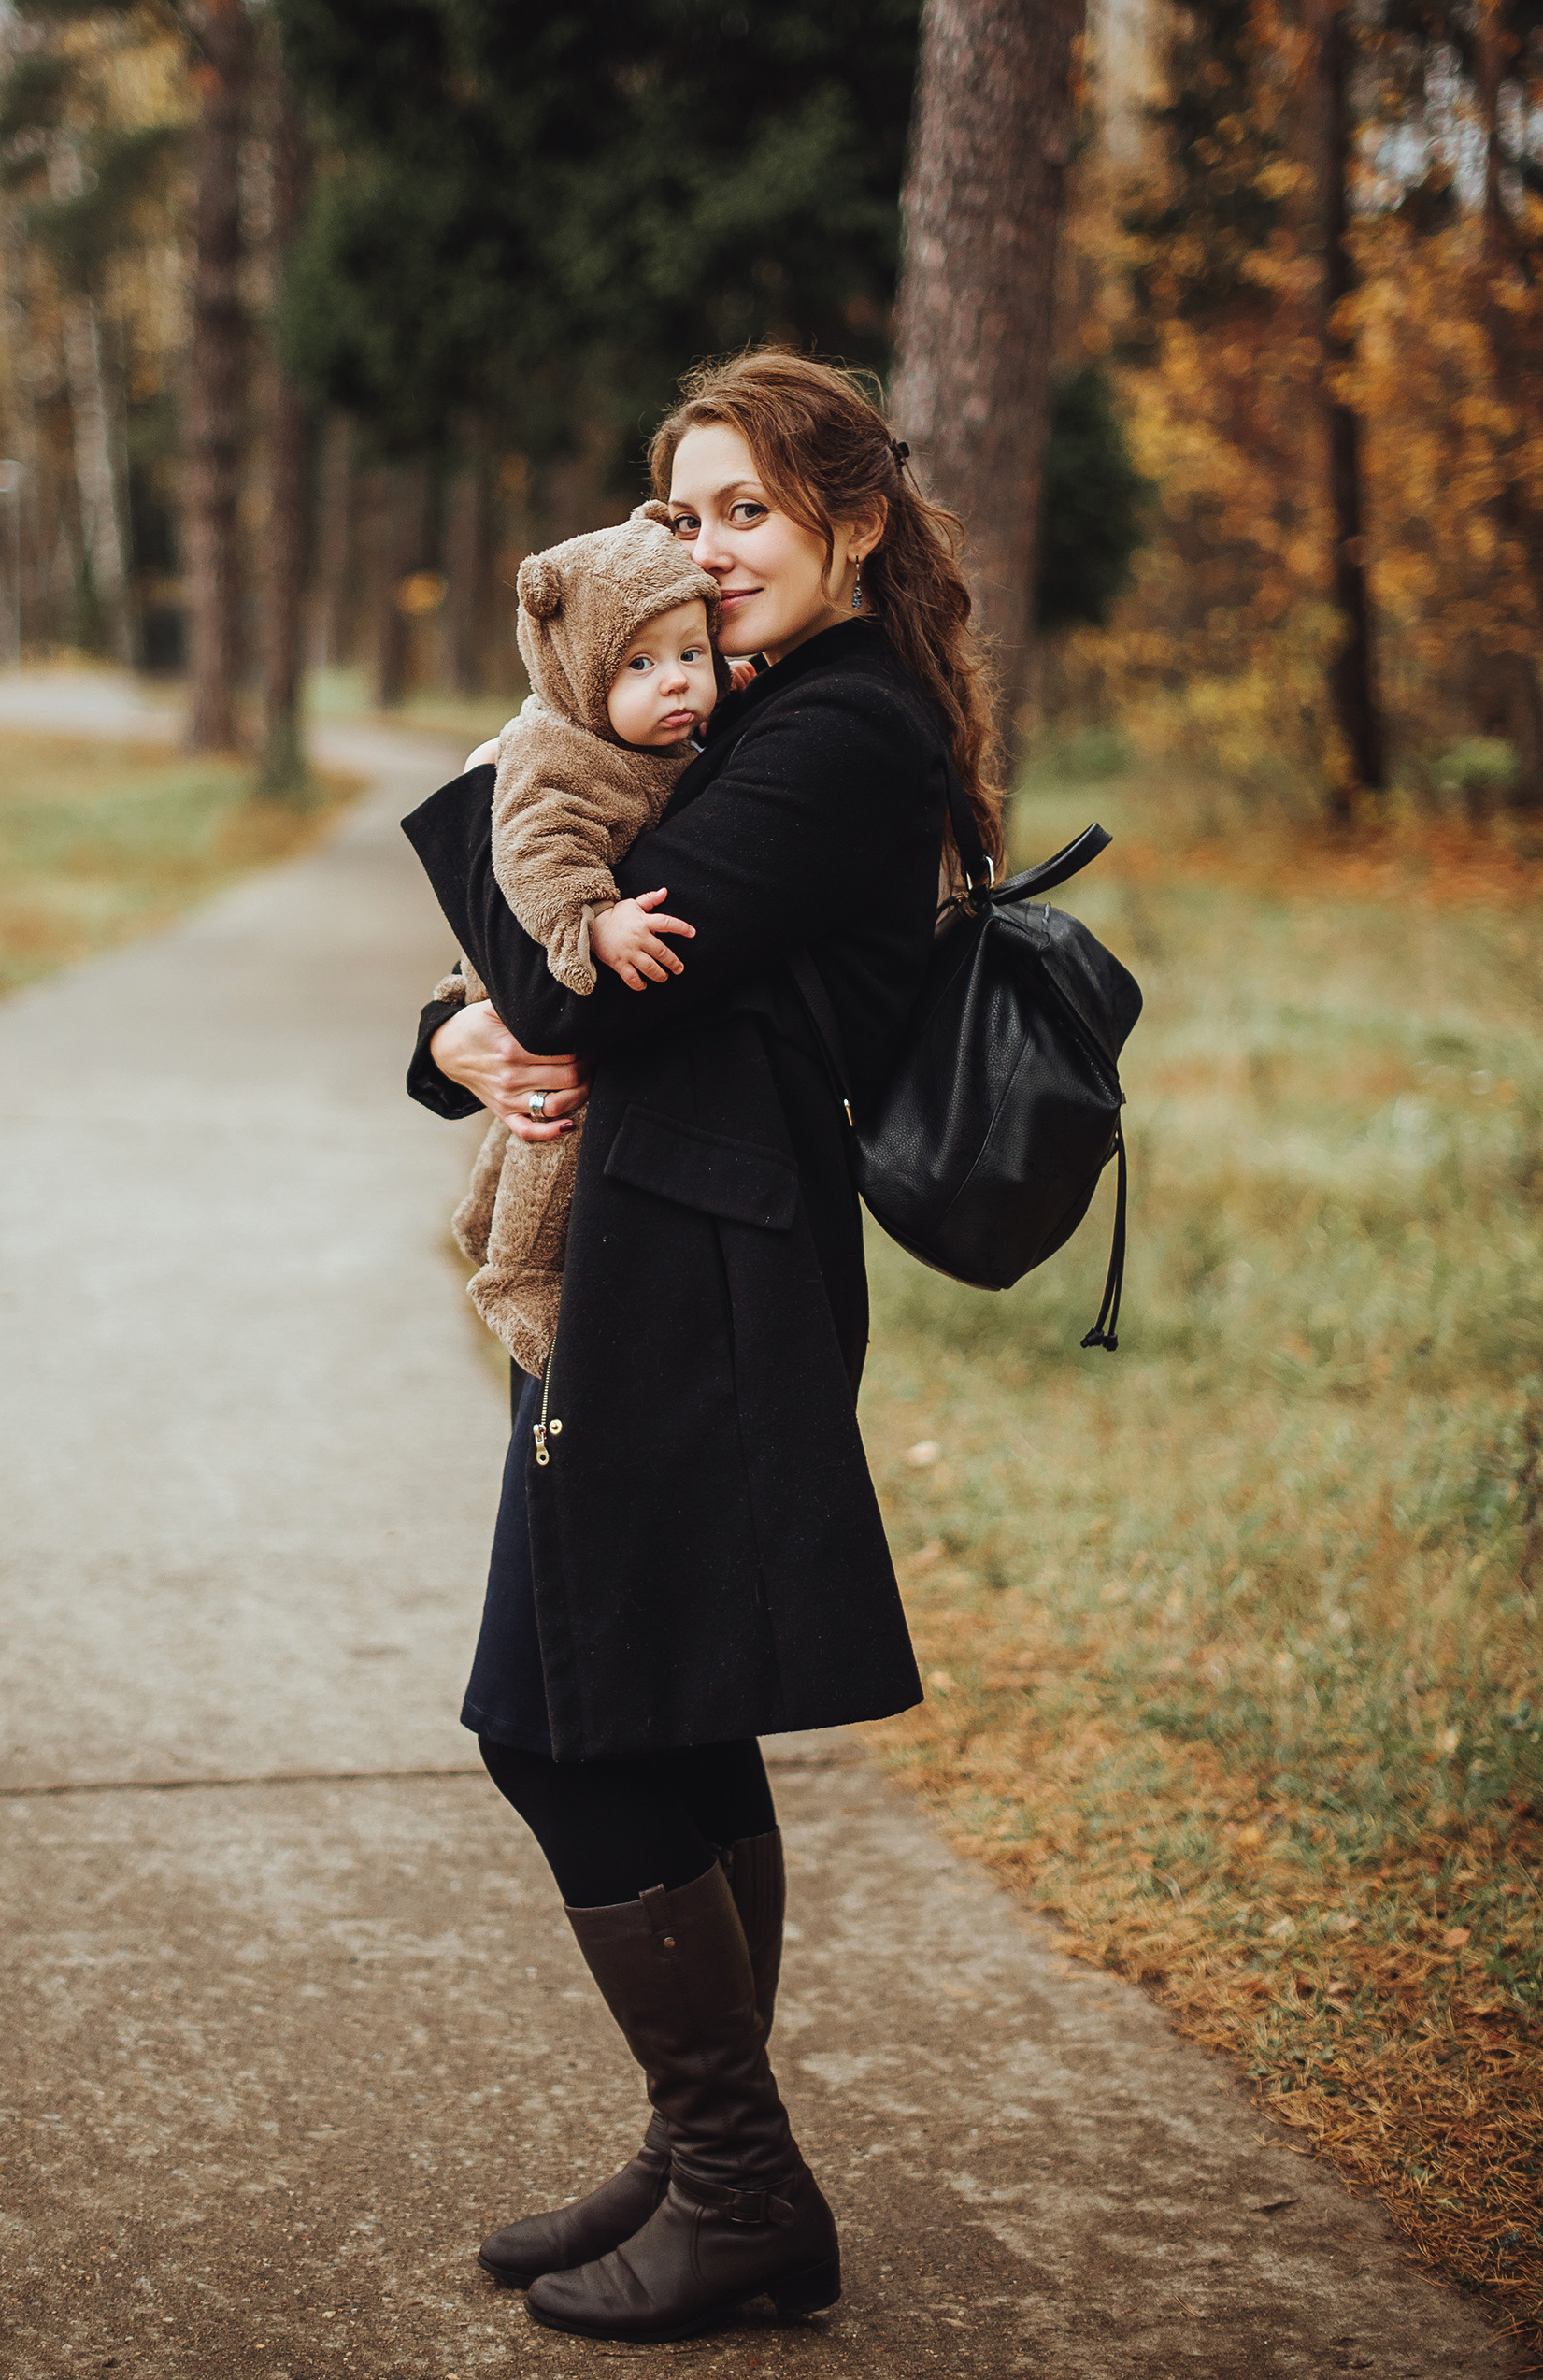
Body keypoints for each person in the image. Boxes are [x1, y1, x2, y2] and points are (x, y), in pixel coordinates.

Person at [401, 351, 1006, 2345]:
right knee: (658, 1701)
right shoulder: (754, 713)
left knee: (553, 1715)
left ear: (850, 520)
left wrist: (486, 981)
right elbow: (546, 980)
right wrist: (454, 1033)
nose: (705, 548)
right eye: (679, 512)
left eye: (743, 508)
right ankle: (701, 2152)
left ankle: (742, 2178)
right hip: (667, 1255)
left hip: (700, 1274)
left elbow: (577, 986)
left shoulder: (838, 735)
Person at [440, 515, 726, 1374]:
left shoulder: (651, 736)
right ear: (574, 667)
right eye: (639, 664)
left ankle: (479, 1220)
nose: (675, 683)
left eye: (693, 654)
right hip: (532, 953)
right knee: (555, 1127)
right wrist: (594, 921)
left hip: (539, 958)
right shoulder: (552, 752)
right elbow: (533, 850)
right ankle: (518, 1274)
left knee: (541, 1115)